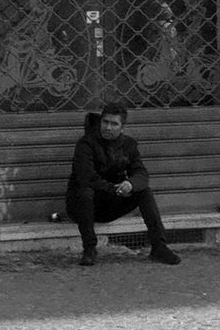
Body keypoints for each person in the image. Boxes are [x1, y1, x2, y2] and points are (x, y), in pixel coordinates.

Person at [67, 105, 180, 267]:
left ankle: (159, 247)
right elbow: (86, 177)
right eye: (105, 122)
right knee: (85, 191)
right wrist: (114, 189)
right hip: (81, 206)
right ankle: (89, 248)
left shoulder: (129, 145)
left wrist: (130, 184)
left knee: (144, 192)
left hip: (110, 203)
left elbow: (141, 173)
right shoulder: (85, 144)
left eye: (114, 124)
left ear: (122, 128)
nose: (108, 127)